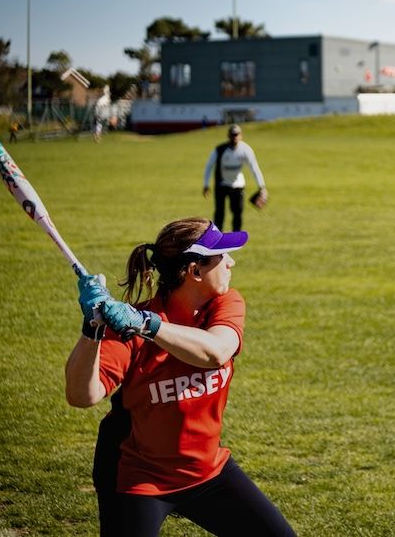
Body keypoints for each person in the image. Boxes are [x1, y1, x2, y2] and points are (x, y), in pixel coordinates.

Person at [66, 217, 295, 537]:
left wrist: (148, 326)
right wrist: (93, 330)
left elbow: (216, 352)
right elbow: (81, 395)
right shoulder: (131, 328)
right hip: (138, 478)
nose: (232, 261)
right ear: (195, 271)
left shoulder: (223, 304)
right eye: (222, 256)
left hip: (207, 471)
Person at [203, 124, 268, 232]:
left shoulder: (245, 150)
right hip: (221, 184)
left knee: (237, 212)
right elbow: (209, 166)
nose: (235, 137)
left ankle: (236, 238)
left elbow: (254, 168)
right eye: (232, 135)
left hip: (237, 185)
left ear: (241, 135)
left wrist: (262, 187)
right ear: (228, 135)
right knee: (219, 213)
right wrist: (206, 184)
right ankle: (218, 239)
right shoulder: (220, 150)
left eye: (237, 135)